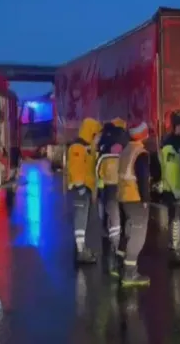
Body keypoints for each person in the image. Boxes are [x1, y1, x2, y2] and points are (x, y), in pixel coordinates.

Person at [115, 122, 153, 286]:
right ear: (143, 134)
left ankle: (120, 267)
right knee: (138, 236)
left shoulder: (126, 150)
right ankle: (130, 274)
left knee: (129, 232)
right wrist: (146, 199)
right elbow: (143, 178)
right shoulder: (140, 153)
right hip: (135, 197)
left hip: (123, 196)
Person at [96, 118, 130, 275]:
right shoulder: (126, 149)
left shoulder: (104, 150)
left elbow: (97, 170)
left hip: (108, 188)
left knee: (113, 218)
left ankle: (114, 247)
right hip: (123, 188)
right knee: (122, 218)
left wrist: (99, 185)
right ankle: (122, 249)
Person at [67, 117, 103, 263]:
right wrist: (80, 187)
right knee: (80, 219)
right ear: (91, 133)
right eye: (97, 135)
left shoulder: (87, 147)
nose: (98, 139)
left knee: (84, 219)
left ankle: (81, 248)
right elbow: (75, 169)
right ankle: (81, 251)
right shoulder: (77, 148)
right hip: (80, 189)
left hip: (86, 188)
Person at [159, 110, 180, 266]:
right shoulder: (174, 143)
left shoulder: (173, 141)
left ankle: (178, 248)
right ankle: (175, 250)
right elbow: (173, 168)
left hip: (177, 186)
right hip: (175, 188)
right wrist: (176, 189)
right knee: (177, 219)